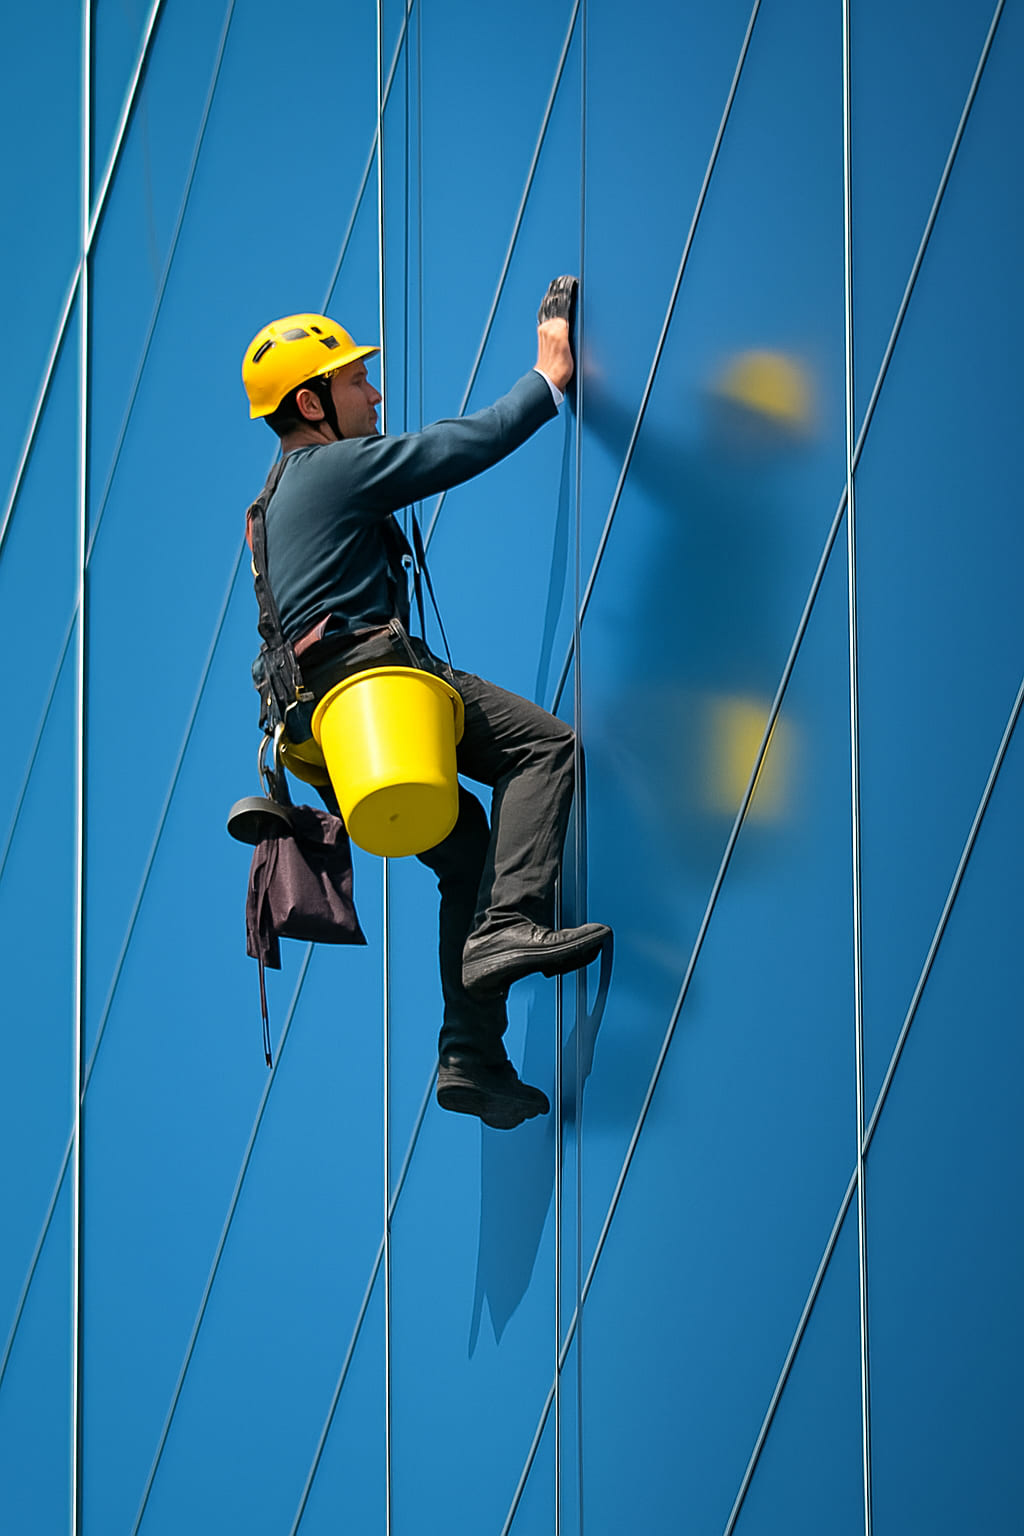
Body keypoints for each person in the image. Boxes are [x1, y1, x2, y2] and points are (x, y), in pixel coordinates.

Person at [241, 280, 610, 1130]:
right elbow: (459, 446)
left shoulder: (268, 505)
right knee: (542, 748)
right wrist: (548, 377)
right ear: (311, 403)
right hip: (377, 697)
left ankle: (470, 1055)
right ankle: (509, 924)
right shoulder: (328, 471)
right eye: (355, 382)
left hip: (332, 741)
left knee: (467, 849)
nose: (373, 394)